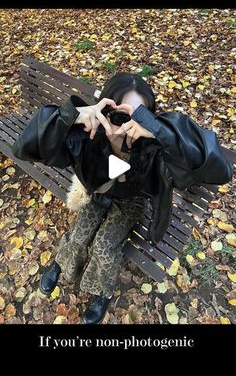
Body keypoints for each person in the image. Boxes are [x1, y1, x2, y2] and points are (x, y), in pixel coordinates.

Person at [12, 73, 233, 324]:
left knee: (105, 245)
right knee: (79, 234)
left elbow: (221, 172)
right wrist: (70, 116)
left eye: (137, 117)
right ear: (105, 111)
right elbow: (24, 149)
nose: (126, 127)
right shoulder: (89, 136)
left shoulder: (154, 148)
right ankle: (63, 265)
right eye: (119, 116)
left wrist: (159, 130)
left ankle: (102, 292)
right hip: (99, 192)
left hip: (132, 200)